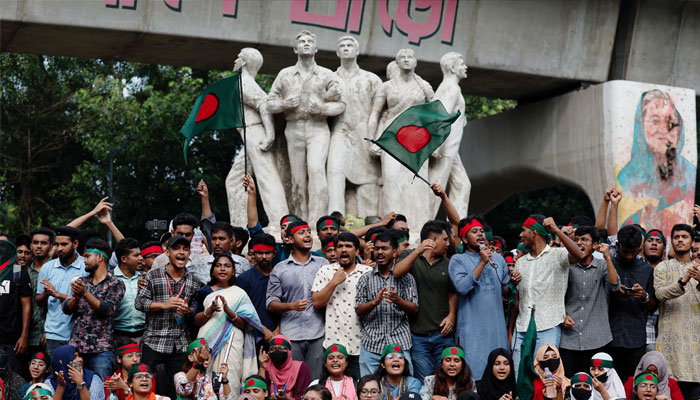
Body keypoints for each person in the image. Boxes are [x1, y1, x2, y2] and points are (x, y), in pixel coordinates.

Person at [267, 29, 345, 223]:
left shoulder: (327, 75)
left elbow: (341, 104)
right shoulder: (285, 74)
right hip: (293, 127)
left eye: (310, 41)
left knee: (316, 170)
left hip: (317, 127)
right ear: (295, 48)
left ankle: (317, 220)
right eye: (302, 41)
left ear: (316, 48)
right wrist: (285, 104)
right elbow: (269, 103)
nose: (306, 44)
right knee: (298, 179)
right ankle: (301, 222)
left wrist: (322, 108)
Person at [368, 49, 433, 234]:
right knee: (391, 179)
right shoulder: (387, 86)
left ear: (415, 62)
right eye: (402, 58)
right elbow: (375, 113)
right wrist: (371, 140)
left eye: (409, 57)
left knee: (417, 182)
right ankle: (392, 227)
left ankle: (420, 227)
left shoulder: (423, 86)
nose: (406, 60)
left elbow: (434, 114)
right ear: (397, 62)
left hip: (417, 135)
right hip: (393, 134)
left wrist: (436, 142)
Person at [510, 215, 584, 376]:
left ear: (534, 232)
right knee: (518, 376)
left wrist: (557, 230)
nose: (521, 235)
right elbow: (516, 298)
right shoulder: (521, 262)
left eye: (524, 231)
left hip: (548, 326)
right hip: (522, 327)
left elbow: (579, 255)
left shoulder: (558, 255)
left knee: (546, 377)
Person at [225, 47, 289, 230]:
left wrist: (269, 136)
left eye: (238, 57)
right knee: (234, 181)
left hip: (256, 132)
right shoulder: (243, 81)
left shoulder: (243, 82)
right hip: (249, 133)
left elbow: (264, 105)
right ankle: (240, 228)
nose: (235, 60)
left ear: (244, 62)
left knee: (267, 177)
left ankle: (280, 222)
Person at [617, 90, 695, 236]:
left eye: (670, 122)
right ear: (641, 127)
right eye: (655, 121)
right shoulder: (626, 177)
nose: (663, 130)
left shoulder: (690, 174)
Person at [134, 235, 202, 400]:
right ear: (167, 252)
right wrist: (164, 304)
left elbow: (197, 311)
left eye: (185, 249)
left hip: (180, 342)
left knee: (179, 387)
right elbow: (139, 303)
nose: (181, 253)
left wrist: (188, 310)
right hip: (154, 340)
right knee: (145, 381)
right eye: (176, 249)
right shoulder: (153, 276)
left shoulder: (194, 281)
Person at [394, 218, 457, 383]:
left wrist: (452, 315)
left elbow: (452, 294)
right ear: (433, 240)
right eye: (445, 239)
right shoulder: (410, 255)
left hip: (443, 333)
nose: (448, 244)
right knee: (425, 382)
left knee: (445, 381)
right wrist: (417, 251)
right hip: (418, 336)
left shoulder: (448, 264)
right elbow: (397, 272)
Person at [327, 35, 383, 217]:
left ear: (357, 50)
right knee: (335, 170)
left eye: (350, 45)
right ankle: (335, 216)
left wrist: (377, 139)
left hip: (365, 132)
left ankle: (371, 219)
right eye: (342, 45)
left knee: (368, 177)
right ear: (337, 52)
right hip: (339, 130)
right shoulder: (329, 78)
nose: (346, 48)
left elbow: (381, 112)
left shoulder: (371, 79)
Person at [448, 217, 509, 381]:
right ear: (465, 239)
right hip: (473, 332)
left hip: (497, 330)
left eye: (481, 231)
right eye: (474, 232)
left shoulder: (497, 259)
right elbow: (462, 287)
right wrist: (482, 262)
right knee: (476, 378)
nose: (480, 235)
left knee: (499, 377)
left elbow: (506, 289)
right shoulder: (458, 260)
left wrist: (515, 280)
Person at [193, 253, 264, 395]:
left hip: (232, 342)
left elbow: (245, 325)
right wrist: (210, 310)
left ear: (233, 272)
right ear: (212, 270)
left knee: (230, 379)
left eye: (227, 266)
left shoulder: (240, 293)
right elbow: (196, 320)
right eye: (218, 266)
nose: (222, 269)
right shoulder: (204, 292)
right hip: (207, 343)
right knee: (205, 384)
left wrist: (228, 311)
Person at [266, 221, 328, 381]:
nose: (307, 235)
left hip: (318, 333)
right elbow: (271, 303)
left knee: (315, 382)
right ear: (290, 239)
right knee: (293, 383)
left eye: (309, 232)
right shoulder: (280, 268)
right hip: (291, 335)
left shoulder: (323, 264)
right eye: (301, 233)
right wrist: (291, 306)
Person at [559, 227, 620, 377]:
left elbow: (615, 286)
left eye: (584, 239)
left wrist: (607, 257)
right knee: (569, 384)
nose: (579, 243)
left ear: (594, 245)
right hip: (569, 339)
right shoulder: (566, 266)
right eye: (576, 239)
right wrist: (562, 315)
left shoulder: (602, 265)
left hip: (597, 338)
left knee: (597, 385)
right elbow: (555, 296)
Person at [355, 232, 418, 376]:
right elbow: (358, 310)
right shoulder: (365, 279)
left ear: (395, 252)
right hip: (372, 345)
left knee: (402, 392)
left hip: (399, 344)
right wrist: (374, 302)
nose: (379, 252)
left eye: (384, 248)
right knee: (369, 392)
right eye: (376, 249)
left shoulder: (406, 278)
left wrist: (398, 301)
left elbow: (414, 308)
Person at [312, 233, 373, 380]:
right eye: (340, 246)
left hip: (362, 346)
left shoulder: (368, 273)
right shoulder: (325, 271)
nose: (343, 250)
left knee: (361, 390)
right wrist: (334, 282)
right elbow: (317, 303)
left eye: (348, 246)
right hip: (334, 346)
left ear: (357, 251)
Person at [62, 239, 125, 380]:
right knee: (74, 387)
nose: (84, 260)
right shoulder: (82, 281)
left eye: (87, 256)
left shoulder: (116, 283)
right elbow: (66, 308)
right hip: (77, 348)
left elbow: (107, 309)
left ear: (100, 257)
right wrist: (76, 298)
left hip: (101, 350)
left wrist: (85, 294)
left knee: (102, 389)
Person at [653, 223, 700, 396]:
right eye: (676, 237)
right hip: (670, 344)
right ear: (671, 241)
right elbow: (659, 294)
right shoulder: (663, 267)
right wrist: (683, 281)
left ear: (693, 242)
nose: (680, 240)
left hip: (696, 346)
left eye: (684, 237)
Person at [606, 225, 656, 382]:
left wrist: (644, 296)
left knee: (632, 385)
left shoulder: (647, 269)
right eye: (625, 251)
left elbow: (653, 306)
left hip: (636, 339)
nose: (629, 256)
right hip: (608, 337)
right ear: (618, 246)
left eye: (633, 252)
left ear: (640, 247)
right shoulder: (607, 264)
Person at [429, 52, 470, 219]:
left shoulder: (450, 87)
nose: (465, 67)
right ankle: (423, 226)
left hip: (452, 148)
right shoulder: (451, 87)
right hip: (445, 146)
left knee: (463, 185)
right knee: (435, 188)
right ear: (453, 68)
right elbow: (441, 114)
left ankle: (459, 229)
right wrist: (437, 144)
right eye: (461, 64)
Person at [36, 226, 87, 357]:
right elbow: (39, 302)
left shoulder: (85, 267)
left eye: (64, 244)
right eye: (57, 244)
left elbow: (87, 302)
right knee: (55, 375)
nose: (59, 248)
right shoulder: (47, 268)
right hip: (53, 334)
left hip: (80, 334)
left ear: (75, 244)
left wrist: (57, 294)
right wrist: (46, 293)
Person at [237, 234, 280, 347]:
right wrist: (263, 329)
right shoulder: (244, 279)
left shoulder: (281, 275)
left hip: (279, 334)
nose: (264, 257)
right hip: (253, 334)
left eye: (268, 253)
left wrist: (279, 328)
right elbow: (243, 309)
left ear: (274, 253)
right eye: (260, 253)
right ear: (253, 253)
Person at [0, 239, 31, 361]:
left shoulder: (17, 271)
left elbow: (26, 305)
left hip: (11, 337)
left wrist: (24, 336)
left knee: (12, 376)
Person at [113, 239, 147, 345]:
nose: (141, 258)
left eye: (140, 254)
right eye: (136, 255)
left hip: (144, 335)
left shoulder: (145, 277)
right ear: (124, 259)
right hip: (117, 336)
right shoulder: (110, 279)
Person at [27, 228, 54, 357]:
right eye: (35, 242)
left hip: (51, 335)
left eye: (43, 243)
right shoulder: (24, 272)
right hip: (28, 337)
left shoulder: (57, 271)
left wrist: (48, 331)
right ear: (31, 245)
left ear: (51, 246)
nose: (39, 246)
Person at [257, 335, 311, 400]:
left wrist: (287, 399)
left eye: (282, 348)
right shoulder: (267, 367)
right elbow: (262, 394)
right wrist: (262, 367)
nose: (277, 351)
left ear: (289, 352)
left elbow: (304, 396)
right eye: (272, 349)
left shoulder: (300, 367)